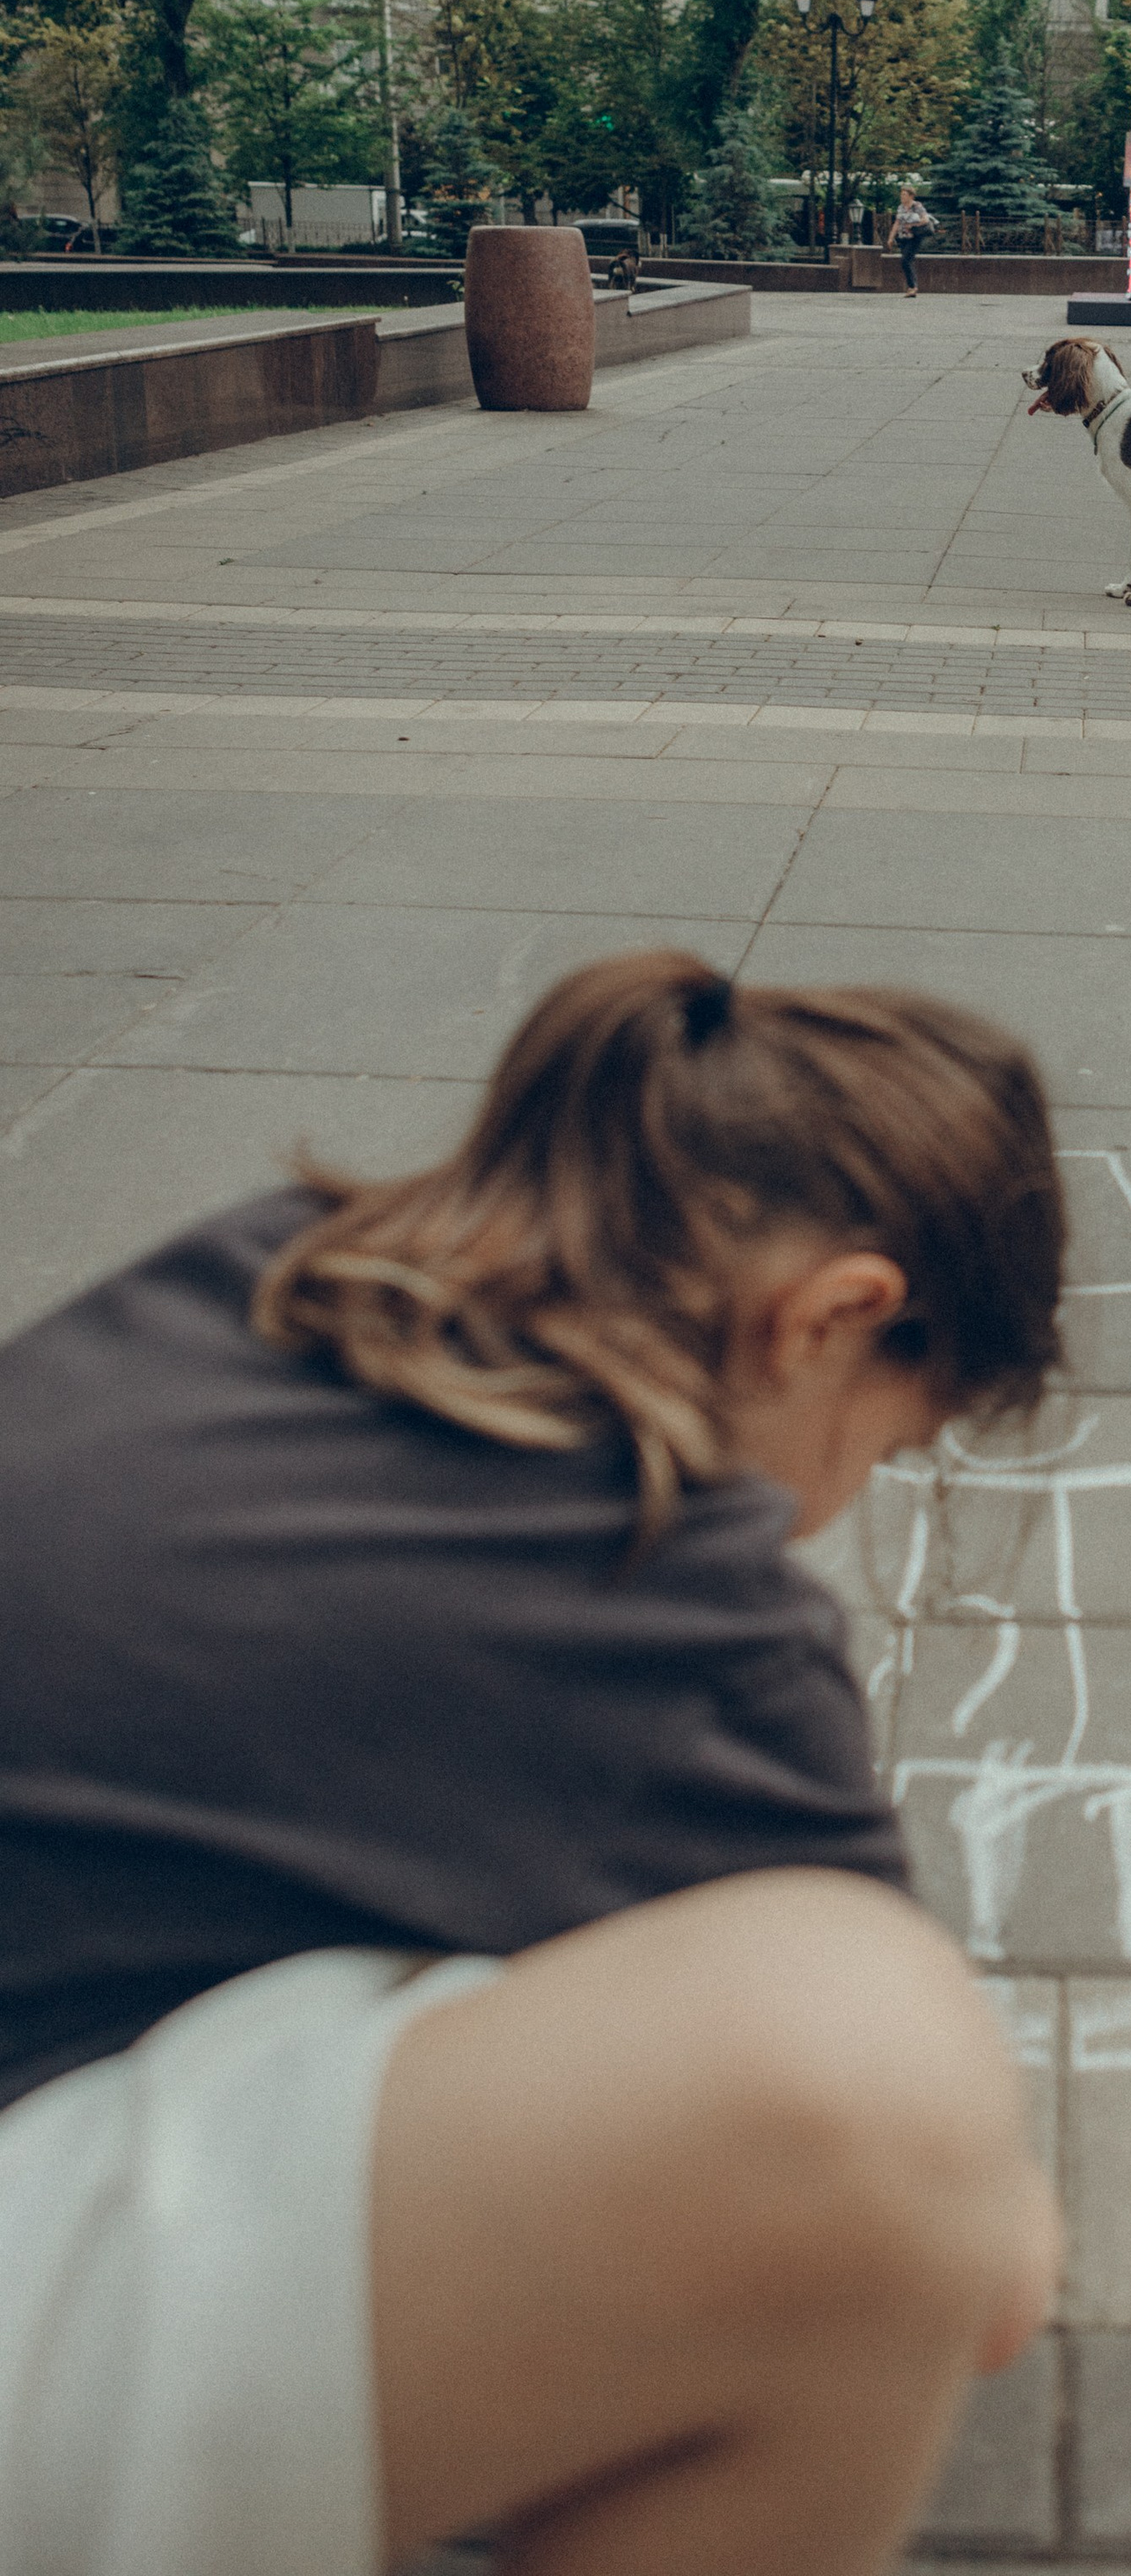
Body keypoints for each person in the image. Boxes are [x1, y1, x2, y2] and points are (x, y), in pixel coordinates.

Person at [0, 953, 1066, 2576]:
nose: (844, 1503)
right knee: (885, 2140)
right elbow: (991, 2280)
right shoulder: (674, 1605)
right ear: (833, 1316)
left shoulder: (272, 1263)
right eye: (887, 1442)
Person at [889, 176, 936, 298]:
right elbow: (897, 223)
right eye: (901, 194)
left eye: (904, 194)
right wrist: (891, 238)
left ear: (911, 196)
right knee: (907, 261)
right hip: (903, 238)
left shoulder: (917, 206)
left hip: (915, 237)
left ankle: (913, 287)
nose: (902, 197)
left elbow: (925, 220)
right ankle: (912, 287)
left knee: (906, 260)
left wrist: (912, 225)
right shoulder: (900, 208)